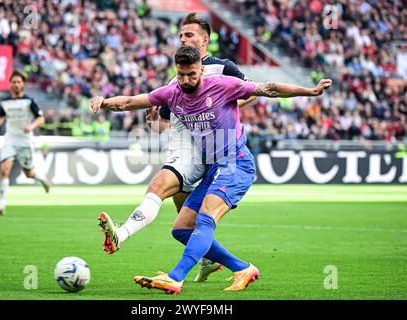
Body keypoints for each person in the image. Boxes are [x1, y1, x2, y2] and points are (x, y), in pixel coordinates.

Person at [91, 46, 332, 294]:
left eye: (191, 75)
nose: (186, 80)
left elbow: (268, 88)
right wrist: (105, 103)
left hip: (235, 163)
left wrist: (310, 91)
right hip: (215, 167)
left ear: (202, 69)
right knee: (182, 228)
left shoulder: (222, 84)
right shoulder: (172, 91)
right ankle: (243, 268)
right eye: (181, 74)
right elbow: (132, 101)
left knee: (206, 219)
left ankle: (176, 277)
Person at [95, 12, 257, 283]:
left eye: (189, 34)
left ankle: (126, 238)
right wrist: (155, 124)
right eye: (181, 35)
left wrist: (221, 110)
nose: (183, 38)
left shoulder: (223, 68)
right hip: (190, 150)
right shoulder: (177, 81)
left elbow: (251, 92)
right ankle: (211, 260)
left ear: (205, 41)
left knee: (169, 195)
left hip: (210, 154)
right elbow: (167, 124)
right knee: (183, 225)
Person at [0, 70, 51, 215]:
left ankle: (42, 179)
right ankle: (1, 203)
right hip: (10, 139)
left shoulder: (29, 101)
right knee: (4, 170)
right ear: (11, 84)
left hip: (25, 141)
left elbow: (41, 119)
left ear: (23, 84)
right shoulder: (5, 102)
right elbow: (0, 117)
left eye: (19, 82)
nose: (16, 84)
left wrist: (31, 127)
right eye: (14, 82)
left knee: (29, 174)